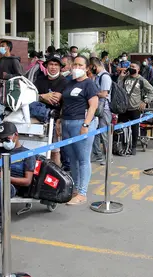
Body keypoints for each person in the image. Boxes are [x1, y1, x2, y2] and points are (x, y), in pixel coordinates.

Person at [56, 55, 99, 205]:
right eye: (75, 64)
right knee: (72, 159)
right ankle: (75, 189)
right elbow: (64, 103)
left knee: (83, 159)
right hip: (67, 123)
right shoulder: (69, 83)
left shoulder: (89, 84)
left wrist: (86, 125)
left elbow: (93, 105)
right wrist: (59, 120)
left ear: (87, 68)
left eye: (80, 65)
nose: (76, 67)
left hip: (81, 123)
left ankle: (82, 193)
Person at [0, 122, 36, 244]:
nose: (4, 141)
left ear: (16, 135)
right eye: (2, 139)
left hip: (10, 186)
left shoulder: (27, 154)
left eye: (6, 138)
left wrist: (4, 176)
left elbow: (27, 181)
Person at [34, 54, 68, 166]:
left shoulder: (64, 81)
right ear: (46, 66)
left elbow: (59, 100)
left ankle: (56, 176)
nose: (53, 67)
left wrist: (42, 96)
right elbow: (31, 96)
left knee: (55, 151)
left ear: (60, 67)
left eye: (56, 65)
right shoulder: (39, 80)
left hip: (56, 119)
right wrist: (43, 96)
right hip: (38, 119)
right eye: (51, 64)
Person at [118, 61, 153, 155]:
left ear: (138, 69)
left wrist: (145, 101)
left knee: (134, 128)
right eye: (130, 66)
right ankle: (122, 146)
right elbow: (118, 88)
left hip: (135, 108)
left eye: (133, 66)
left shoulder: (142, 80)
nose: (131, 67)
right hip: (124, 108)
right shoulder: (125, 78)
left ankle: (133, 146)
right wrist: (121, 77)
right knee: (121, 128)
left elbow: (151, 91)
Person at [0, 40, 23, 124]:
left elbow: (20, 75)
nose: (1, 48)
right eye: (0, 46)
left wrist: (8, 76)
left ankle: (9, 129)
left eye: (3, 46)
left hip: (10, 89)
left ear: (8, 48)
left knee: (8, 111)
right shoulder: (1, 60)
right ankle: (1, 128)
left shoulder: (14, 60)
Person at [89, 57, 112, 166]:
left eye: (91, 67)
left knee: (104, 133)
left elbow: (104, 94)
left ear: (95, 66)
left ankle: (108, 157)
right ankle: (97, 155)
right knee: (95, 133)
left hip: (104, 108)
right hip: (97, 108)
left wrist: (93, 92)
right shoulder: (97, 76)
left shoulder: (105, 77)